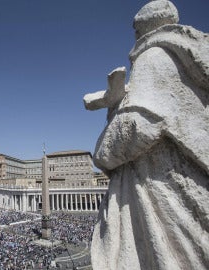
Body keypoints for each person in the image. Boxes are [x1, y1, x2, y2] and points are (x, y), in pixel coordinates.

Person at [84, 1, 209, 269]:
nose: (134, 36)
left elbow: (139, 124)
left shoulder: (155, 56)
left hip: (162, 183)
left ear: (143, 28)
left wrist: (102, 153)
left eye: (135, 30)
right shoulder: (182, 58)